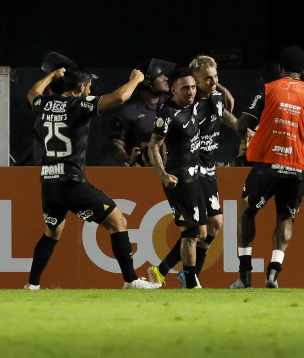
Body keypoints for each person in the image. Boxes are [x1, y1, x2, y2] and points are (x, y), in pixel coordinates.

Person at [25, 65, 161, 290]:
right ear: (80, 87)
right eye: (89, 87)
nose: (90, 91)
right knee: (118, 222)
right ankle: (131, 280)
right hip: (71, 182)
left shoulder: (45, 104)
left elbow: (32, 93)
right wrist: (136, 79)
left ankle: (32, 285)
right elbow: (118, 98)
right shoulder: (78, 105)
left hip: (49, 183)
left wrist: (51, 75)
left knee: (52, 232)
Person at [229, 45, 304, 289]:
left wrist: (255, 132)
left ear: (281, 68)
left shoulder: (267, 90)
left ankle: (244, 276)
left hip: (269, 164)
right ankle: (274, 272)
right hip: (300, 167)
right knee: (285, 217)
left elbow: (242, 125)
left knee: (246, 211)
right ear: (303, 70)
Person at [146, 56, 238, 288]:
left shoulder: (213, 96)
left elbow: (222, 113)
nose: (213, 82)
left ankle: (177, 273)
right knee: (196, 229)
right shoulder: (179, 103)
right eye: (208, 79)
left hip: (207, 168)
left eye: (216, 77)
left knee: (213, 226)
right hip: (189, 171)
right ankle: (186, 276)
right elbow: (157, 141)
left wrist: (243, 128)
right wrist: (164, 172)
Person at [147, 67, 208, 290]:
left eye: (193, 87)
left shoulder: (193, 103)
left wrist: (223, 90)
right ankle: (191, 284)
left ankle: (160, 271)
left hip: (195, 177)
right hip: (178, 179)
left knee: (202, 232)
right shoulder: (167, 113)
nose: (191, 92)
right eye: (185, 88)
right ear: (173, 90)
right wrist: (163, 174)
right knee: (190, 233)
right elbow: (154, 146)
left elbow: (210, 82)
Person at [107, 59, 176, 167]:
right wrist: (127, 160)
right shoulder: (128, 111)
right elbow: (115, 143)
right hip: (142, 172)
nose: (166, 79)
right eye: (161, 75)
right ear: (147, 81)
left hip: (173, 170)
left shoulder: (173, 104)